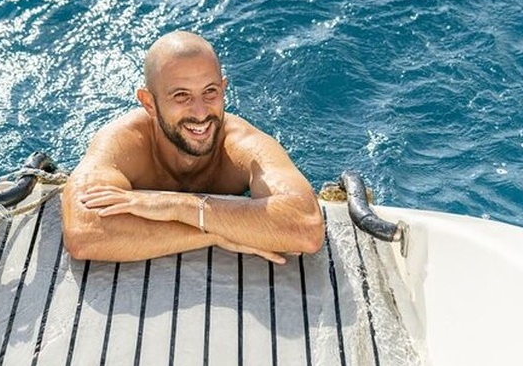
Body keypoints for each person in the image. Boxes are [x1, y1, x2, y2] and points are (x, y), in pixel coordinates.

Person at [61, 31, 325, 264]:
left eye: (210, 92)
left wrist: (178, 207)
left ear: (224, 89)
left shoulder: (243, 145)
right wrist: (213, 234)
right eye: (181, 96)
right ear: (149, 103)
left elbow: (306, 227)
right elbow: (84, 232)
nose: (200, 113)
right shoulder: (125, 142)